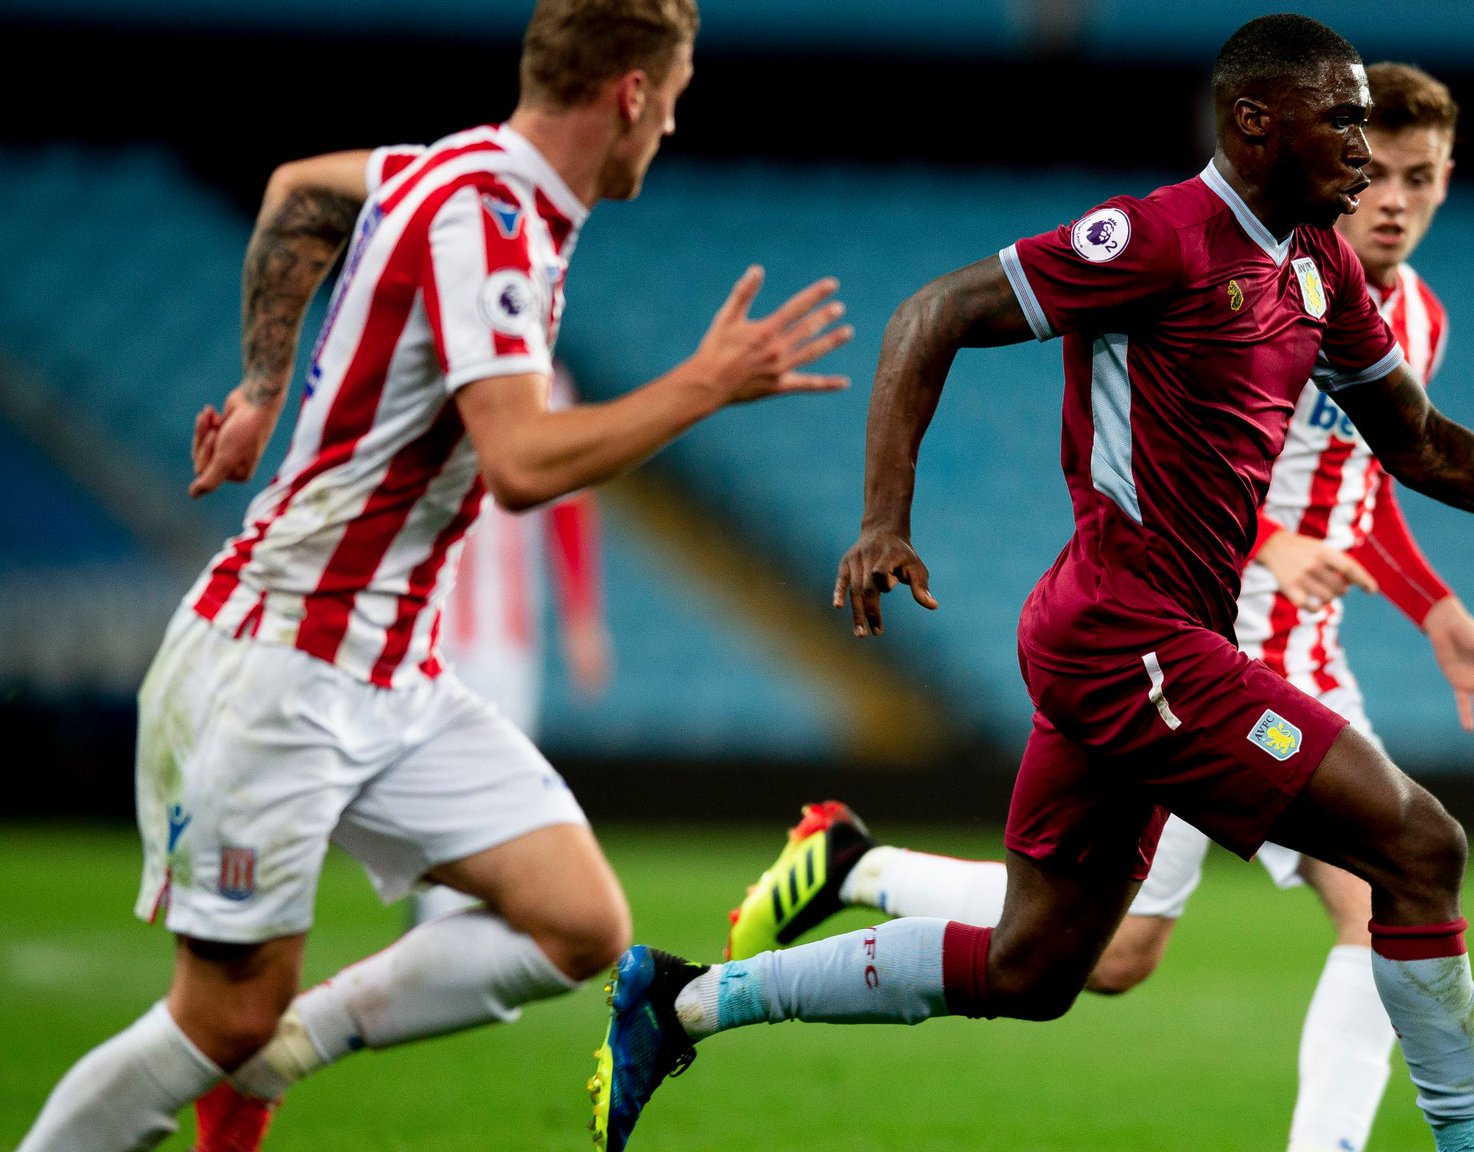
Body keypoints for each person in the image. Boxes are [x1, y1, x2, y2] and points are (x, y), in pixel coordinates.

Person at [595, 16, 1474, 1152]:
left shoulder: (1318, 268)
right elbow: (933, 313)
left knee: (1039, 966)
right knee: (1417, 848)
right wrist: (880, 521)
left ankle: (680, 1002)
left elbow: (1418, 444)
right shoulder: (1154, 238)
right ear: (1255, 124)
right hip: (1132, 636)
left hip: (1143, 645)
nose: (1362, 153)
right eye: (1344, 121)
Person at [11, 1, 854, 1148]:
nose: (672, 124)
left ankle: (279, 1061)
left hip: (388, 669)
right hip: (279, 667)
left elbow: (298, 193)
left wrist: (263, 387)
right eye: (678, 92)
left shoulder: (455, 170)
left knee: (577, 926)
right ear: (631, 93)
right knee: (218, 1013)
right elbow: (516, 462)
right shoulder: (495, 221)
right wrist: (703, 383)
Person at [410, 359, 613, 928]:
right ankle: (439, 922)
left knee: (500, 786)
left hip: (507, 637)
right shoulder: (428, 361)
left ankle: (462, 917)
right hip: (427, 620)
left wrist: (581, 616)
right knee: (441, 779)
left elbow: (569, 498)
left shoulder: (549, 380)